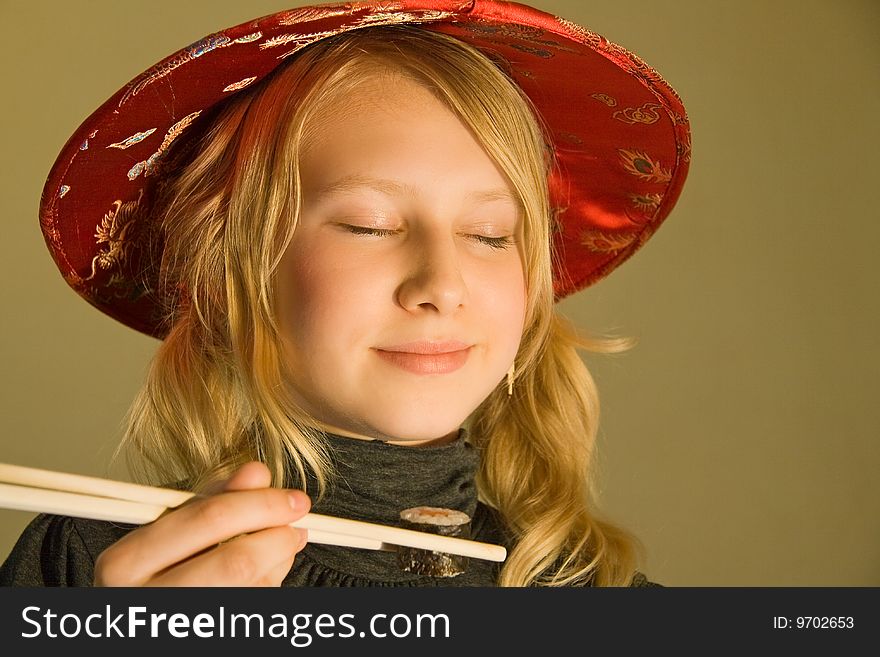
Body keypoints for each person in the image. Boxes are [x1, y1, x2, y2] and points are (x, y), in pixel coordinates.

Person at [0, 0, 690, 587]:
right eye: (371, 224)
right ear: (228, 274)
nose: (442, 286)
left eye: (489, 233)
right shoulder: (93, 569)